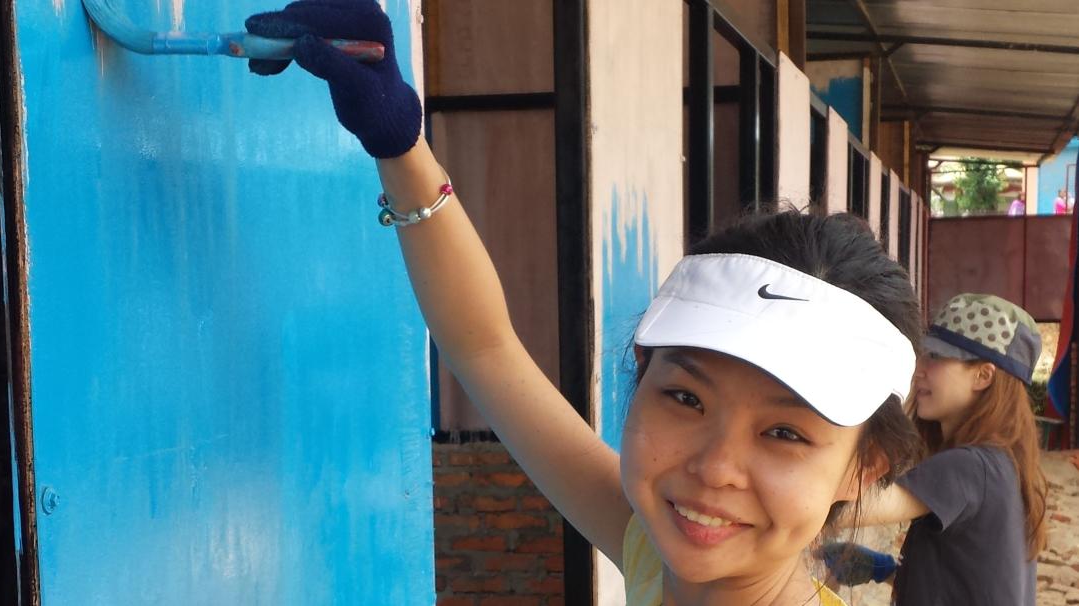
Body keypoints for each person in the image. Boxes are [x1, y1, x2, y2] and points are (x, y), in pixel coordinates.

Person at [245, 2, 926, 604]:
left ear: (862, 469)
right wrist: (398, 141)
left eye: (786, 434)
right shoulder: (657, 558)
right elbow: (486, 350)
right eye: (686, 398)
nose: (714, 468)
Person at [847, 293, 1047, 605]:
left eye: (937, 357)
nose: (920, 369)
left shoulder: (969, 467)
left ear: (983, 376)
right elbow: (975, 581)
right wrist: (886, 570)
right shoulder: (1004, 465)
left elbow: (852, 509)